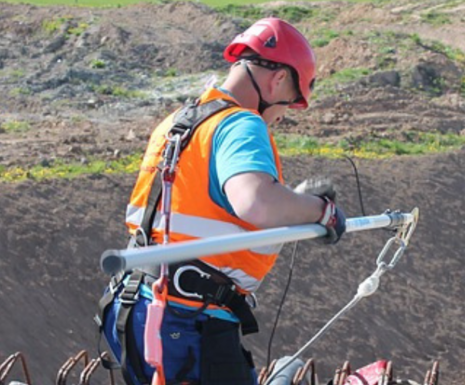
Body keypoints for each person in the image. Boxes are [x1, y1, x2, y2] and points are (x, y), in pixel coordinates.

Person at [98, 17, 346, 385]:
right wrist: (322, 212)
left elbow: (205, 206)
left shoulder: (179, 122)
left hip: (135, 304)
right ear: (278, 79)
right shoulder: (241, 124)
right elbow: (255, 203)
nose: (281, 117)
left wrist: (294, 202)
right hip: (185, 320)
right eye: (289, 103)